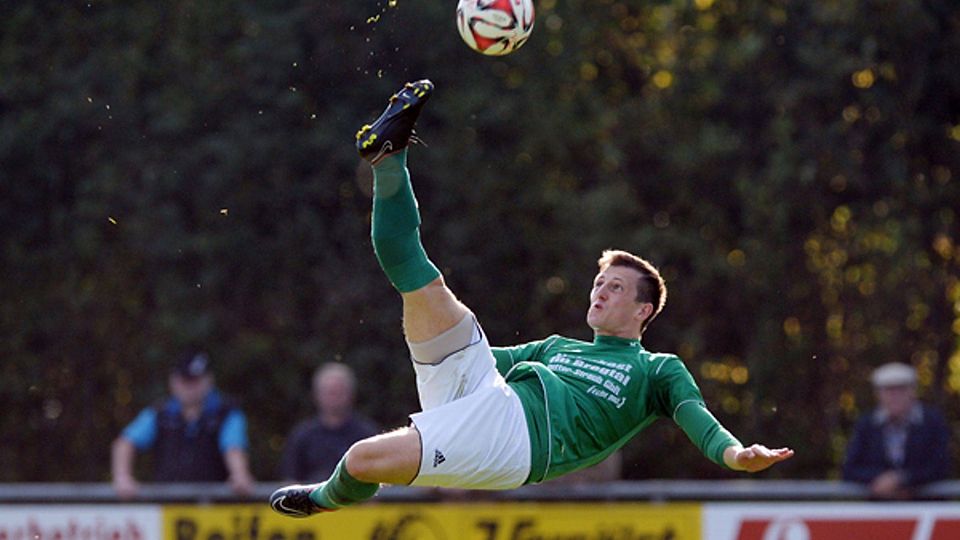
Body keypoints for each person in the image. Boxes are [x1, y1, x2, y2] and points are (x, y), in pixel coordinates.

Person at [269, 80, 794, 517]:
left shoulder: (658, 371)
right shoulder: (556, 349)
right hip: (486, 390)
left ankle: (322, 499)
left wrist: (733, 453)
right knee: (415, 275)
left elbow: (696, 417)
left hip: (515, 443)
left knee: (361, 459)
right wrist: (429, 335)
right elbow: (488, 360)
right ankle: (389, 157)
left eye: (615, 287)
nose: (600, 291)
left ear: (643, 310)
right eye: (598, 283)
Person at [111, 351, 255, 498]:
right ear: (173, 381)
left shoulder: (226, 413)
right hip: (167, 507)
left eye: (196, 380)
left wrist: (239, 475)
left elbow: (233, 447)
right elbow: (125, 443)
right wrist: (122, 477)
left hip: (214, 508)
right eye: (185, 380)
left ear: (209, 380)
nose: (190, 387)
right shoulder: (160, 413)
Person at [842, 362, 951, 498]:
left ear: (913, 391)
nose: (895, 396)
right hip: (880, 511)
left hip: (926, 509)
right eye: (888, 390)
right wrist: (880, 481)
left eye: (901, 389)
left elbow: (941, 466)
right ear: (877, 394)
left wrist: (903, 480)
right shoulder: (867, 424)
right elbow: (850, 469)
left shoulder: (931, 422)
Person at [278, 363, 379, 482]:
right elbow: (290, 480)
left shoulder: (367, 435)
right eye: (329, 392)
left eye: (339, 392)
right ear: (316, 395)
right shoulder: (302, 436)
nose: (334, 398)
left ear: (351, 394)